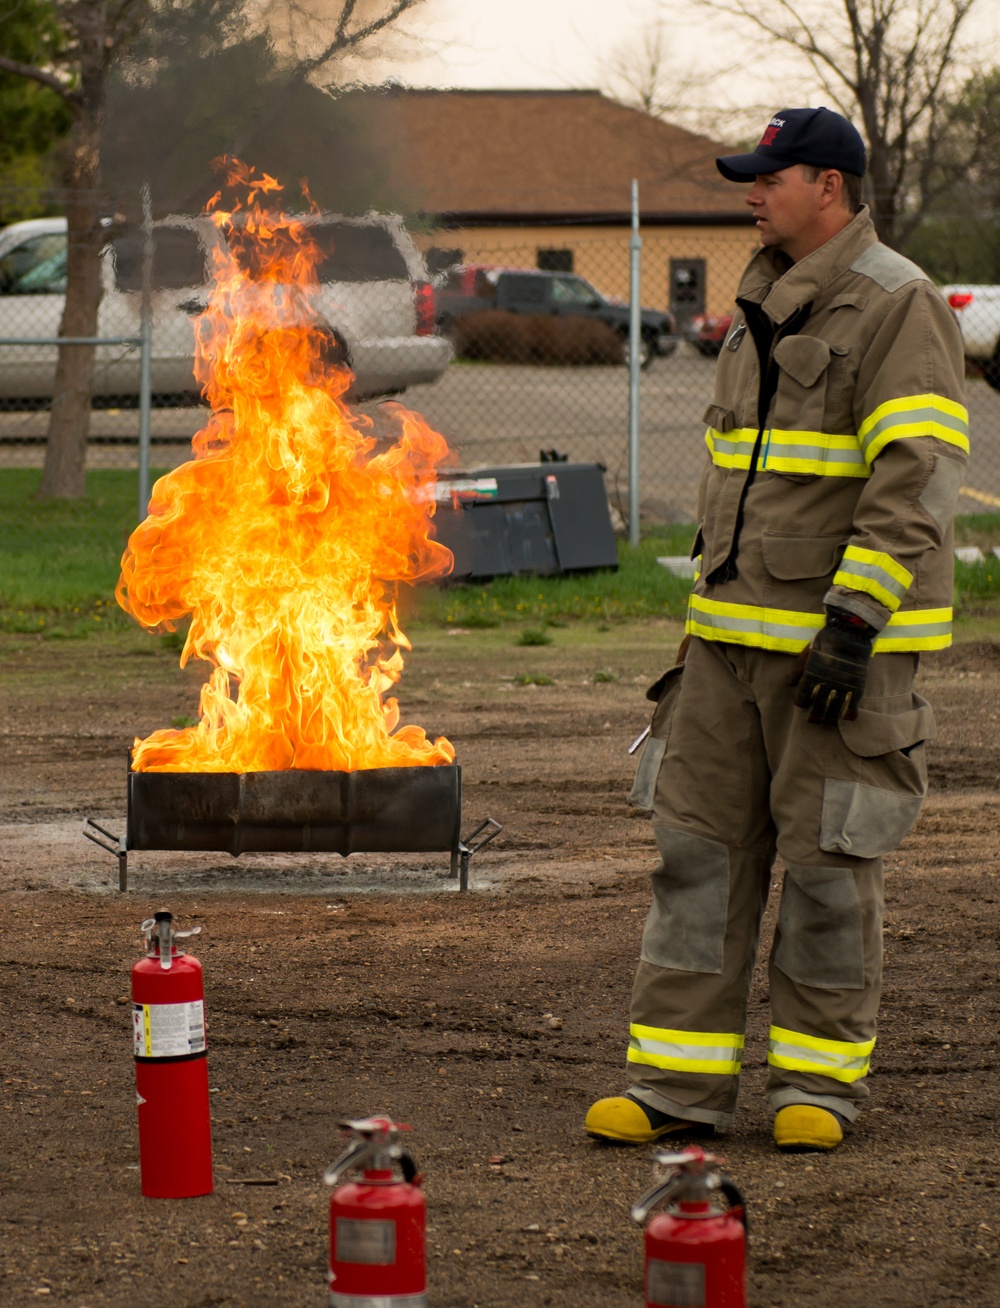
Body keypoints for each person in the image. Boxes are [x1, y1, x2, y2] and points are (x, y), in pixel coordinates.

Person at [586, 107, 968, 1152]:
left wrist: (853, 621)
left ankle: (817, 1085)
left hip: (834, 657)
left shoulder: (896, 303)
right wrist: (691, 640)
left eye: (768, 177)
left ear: (830, 188)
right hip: (722, 649)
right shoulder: (758, 302)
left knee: (829, 868)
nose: (750, 194)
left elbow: (916, 476)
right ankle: (675, 1085)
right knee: (695, 858)